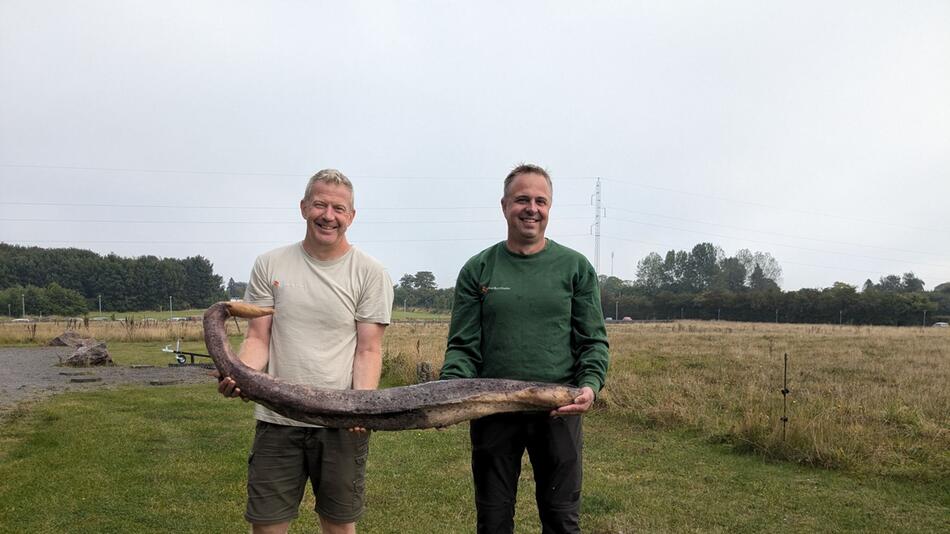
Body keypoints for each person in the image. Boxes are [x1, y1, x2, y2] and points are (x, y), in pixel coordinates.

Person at [217, 169, 394, 534]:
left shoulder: (370, 273)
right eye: (320, 205)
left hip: (340, 422)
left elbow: (368, 350)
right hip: (277, 419)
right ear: (303, 208)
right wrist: (240, 375)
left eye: (339, 208)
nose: (329, 216)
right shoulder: (270, 265)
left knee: (339, 526)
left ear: (352, 216)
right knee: (266, 527)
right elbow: (257, 339)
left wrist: (361, 407)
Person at [440, 163, 609, 533]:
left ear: (549, 208)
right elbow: (463, 347)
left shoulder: (576, 268)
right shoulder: (478, 269)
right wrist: (447, 393)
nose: (531, 208)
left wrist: (590, 385)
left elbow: (592, 341)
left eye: (540, 200)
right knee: (494, 518)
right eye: (522, 199)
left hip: (558, 409)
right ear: (504, 206)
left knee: (562, 518)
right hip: (492, 409)